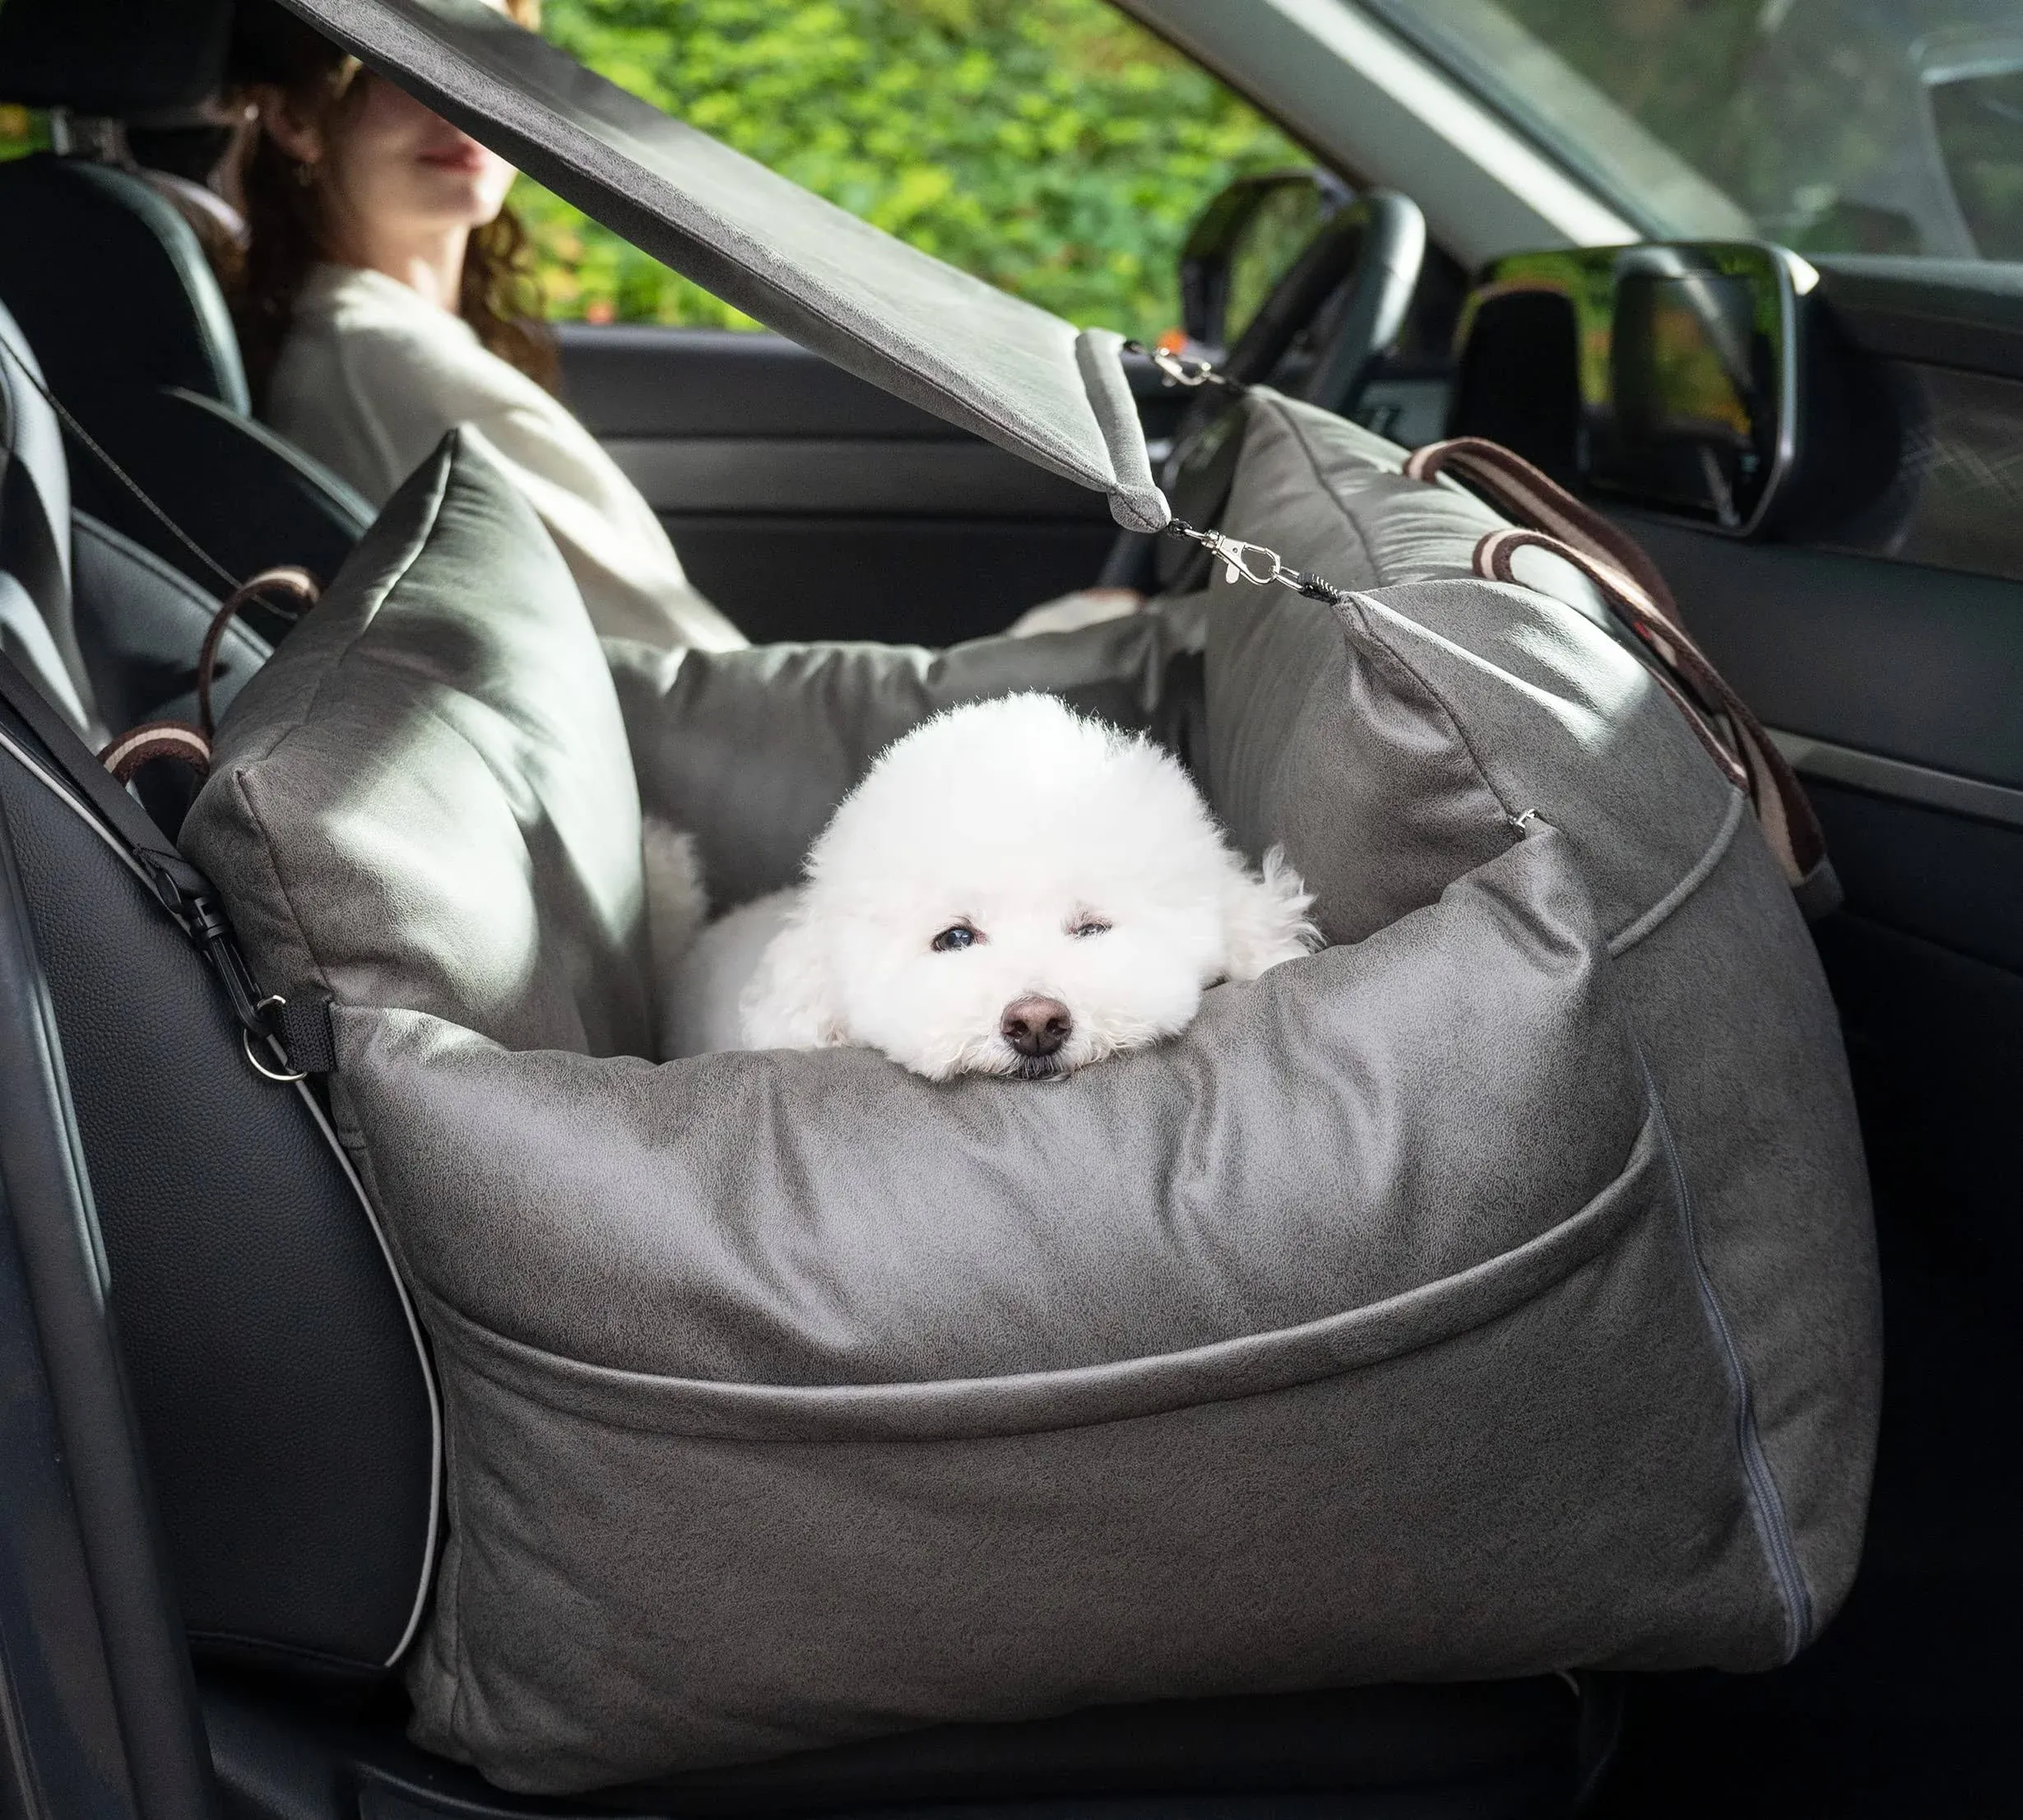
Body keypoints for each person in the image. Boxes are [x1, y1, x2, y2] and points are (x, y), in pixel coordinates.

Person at [226, 0, 745, 652]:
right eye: (404, 64)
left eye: (490, 55)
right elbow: (665, 661)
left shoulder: (393, 339)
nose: (461, 102)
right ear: (295, 117)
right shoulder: (384, 364)